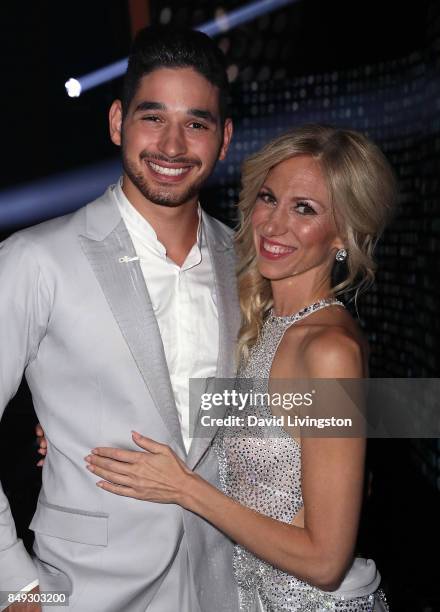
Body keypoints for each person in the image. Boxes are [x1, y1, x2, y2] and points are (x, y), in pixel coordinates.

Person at [83, 125, 396, 611]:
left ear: (344, 234)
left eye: (304, 209)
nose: (272, 225)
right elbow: (213, 425)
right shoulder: (263, 319)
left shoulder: (330, 350)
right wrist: (78, 425)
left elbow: (326, 560)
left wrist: (185, 490)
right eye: (269, 199)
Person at [0, 26, 240, 612]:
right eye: (153, 117)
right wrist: (19, 590)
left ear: (225, 139)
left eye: (197, 123)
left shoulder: (249, 263)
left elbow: (255, 407)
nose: (173, 144)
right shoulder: (36, 258)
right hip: (83, 592)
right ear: (117, 122)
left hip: (228, 587)